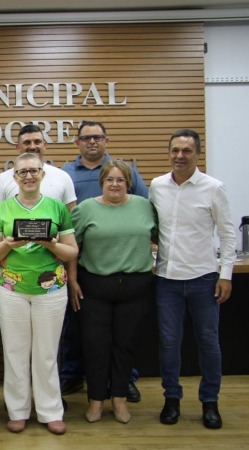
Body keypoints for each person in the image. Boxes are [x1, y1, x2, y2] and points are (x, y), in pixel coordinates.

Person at [0, 153, 78, 435]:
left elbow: (72, 251)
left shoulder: (57, 208)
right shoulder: (1, 210)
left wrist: (51, 245)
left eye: (33, 171)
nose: (28, 176)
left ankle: (50, 410)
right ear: (14, 177)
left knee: (46, 352)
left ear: (43, 174)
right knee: (15, 351)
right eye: (22, 172)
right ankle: (18, 410)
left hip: (51, 290)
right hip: (11, 289)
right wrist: (9, 244)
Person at [150, 129, 236, 429]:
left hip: (204, 279)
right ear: (169, 152)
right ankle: (171, 399)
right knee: (169, 343)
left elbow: (227, 235)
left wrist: (226, 275)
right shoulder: (157, 186)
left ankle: (210, 402)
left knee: (209, 342)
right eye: (175, 150)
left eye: (186, 150)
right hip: (166, 280)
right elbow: (152, 232)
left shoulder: (213, 187)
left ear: (197, 154)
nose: (180, 156)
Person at [60, 120, 148, 402]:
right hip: (85, 266)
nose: (92, 142)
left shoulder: (124, 170)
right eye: (86, 138)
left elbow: (145, 213)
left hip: (124, 269)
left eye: (97, 137)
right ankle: (74, 376)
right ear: (78, 143)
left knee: (123, 334)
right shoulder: (65, 174)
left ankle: (125, 381)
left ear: (106, 140)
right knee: (80, 329)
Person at [67, 160, 156, 424]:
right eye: (109, 180)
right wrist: (72, 280)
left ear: (128, 182)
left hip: (135, 287)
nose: (115, 184)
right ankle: (95, 400)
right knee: (96, 346)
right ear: (101, 182)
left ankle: (119, 399)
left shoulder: (145, 206)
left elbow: (161, 237)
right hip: (94, 286)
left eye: (120, 180)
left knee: (124, 346)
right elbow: (72, 247)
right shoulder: (85, 209)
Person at [0, 123, 76, 212]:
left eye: (37, 142)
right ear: (18, 147)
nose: (32, 147)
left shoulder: (62, 177)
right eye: (27, 142)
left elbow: (71, 217)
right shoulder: (2, 180)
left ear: (44, 146)